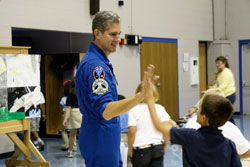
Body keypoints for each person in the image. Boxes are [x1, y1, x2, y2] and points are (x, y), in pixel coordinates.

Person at [75, 11, 154, 167]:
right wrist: (140, 96)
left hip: (104, 136)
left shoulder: (100, 62)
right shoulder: (96, 66)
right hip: (100, 137)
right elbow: (107, 110)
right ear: (97, 33)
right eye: (112, 34)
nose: (118, 39)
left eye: (119, 34)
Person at [143, 67, 241, 167]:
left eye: (199, 108)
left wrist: (150, 98)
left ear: (204, 118)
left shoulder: (190, 136)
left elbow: (158, 125)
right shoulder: (229, 145)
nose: (197, 110)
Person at [184, 88, 250, 159]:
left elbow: (183, 144)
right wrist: (231, 158)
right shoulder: (229, 127)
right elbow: (247, 151)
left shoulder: (192, 122)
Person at [128, 82, 173, 167]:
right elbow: (167, 129)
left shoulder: (134, 110)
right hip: (158, 147)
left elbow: (132, 132)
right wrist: (165, 145)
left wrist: (130, 148)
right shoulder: (160, 108)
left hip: (141, 148)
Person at [209, 56, 236, 124]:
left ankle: (234, 129)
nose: (216, 65)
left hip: (229, 95)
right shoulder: (220, 73)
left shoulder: (226, 72)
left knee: (226, 114)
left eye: (218, 63)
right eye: (216, 63)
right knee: (226, 114)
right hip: (223, 96)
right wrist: (214, 75)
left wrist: (211, 90)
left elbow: (222, 87)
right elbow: (214, 85)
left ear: (224, 63)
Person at [63, 78, 82, 158]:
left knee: (72, 135)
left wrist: (65, 119)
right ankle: (85, 152)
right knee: (83, 135)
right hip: (82, 113)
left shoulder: (70, 95)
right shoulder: (82, 94)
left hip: (73, 114)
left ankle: (70, 151)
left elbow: (68, 108)